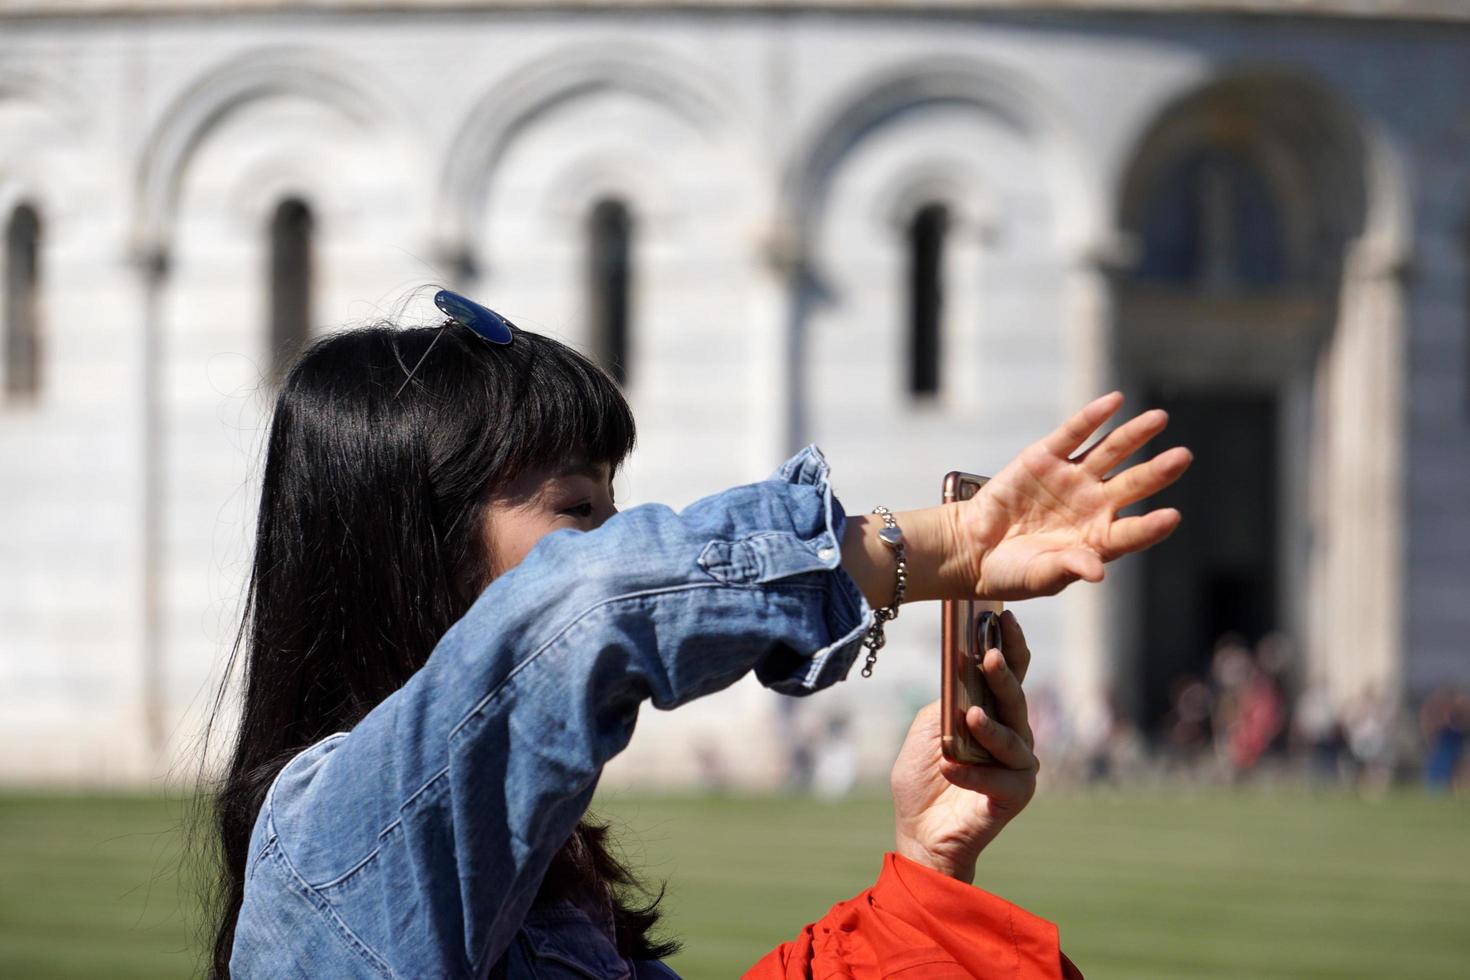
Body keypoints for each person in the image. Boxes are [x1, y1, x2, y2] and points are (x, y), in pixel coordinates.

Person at [203, 291, 1190, 978]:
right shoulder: (332, 837)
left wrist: (926, 867)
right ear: (418, 545)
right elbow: (583, 606)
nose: (616, 539)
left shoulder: (524, 872)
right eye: (578, 509)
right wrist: (926, 550)